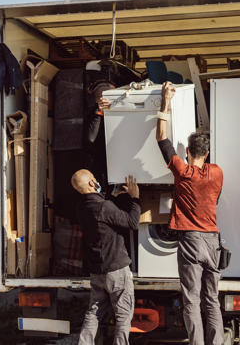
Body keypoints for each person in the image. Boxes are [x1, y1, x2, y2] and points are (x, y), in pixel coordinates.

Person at [155, 82, 224, 345]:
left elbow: (161, 138)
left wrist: (166, 101)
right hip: (213, 241)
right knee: (211, 300)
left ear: (186, 152)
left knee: (191, 300)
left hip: (191, 242)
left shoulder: (182, 172)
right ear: (206, 154)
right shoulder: (217, 172)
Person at [72, 169, 140, 345]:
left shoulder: (81, 207)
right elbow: (132, 222)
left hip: (97, 271)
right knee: (124, 315)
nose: (96, 180)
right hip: (116, 269)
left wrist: (112, 197)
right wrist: (135, 198)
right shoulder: (104, 207)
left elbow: (103, 214)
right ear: (90, 183)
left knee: (94, 312)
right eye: (94, 178)